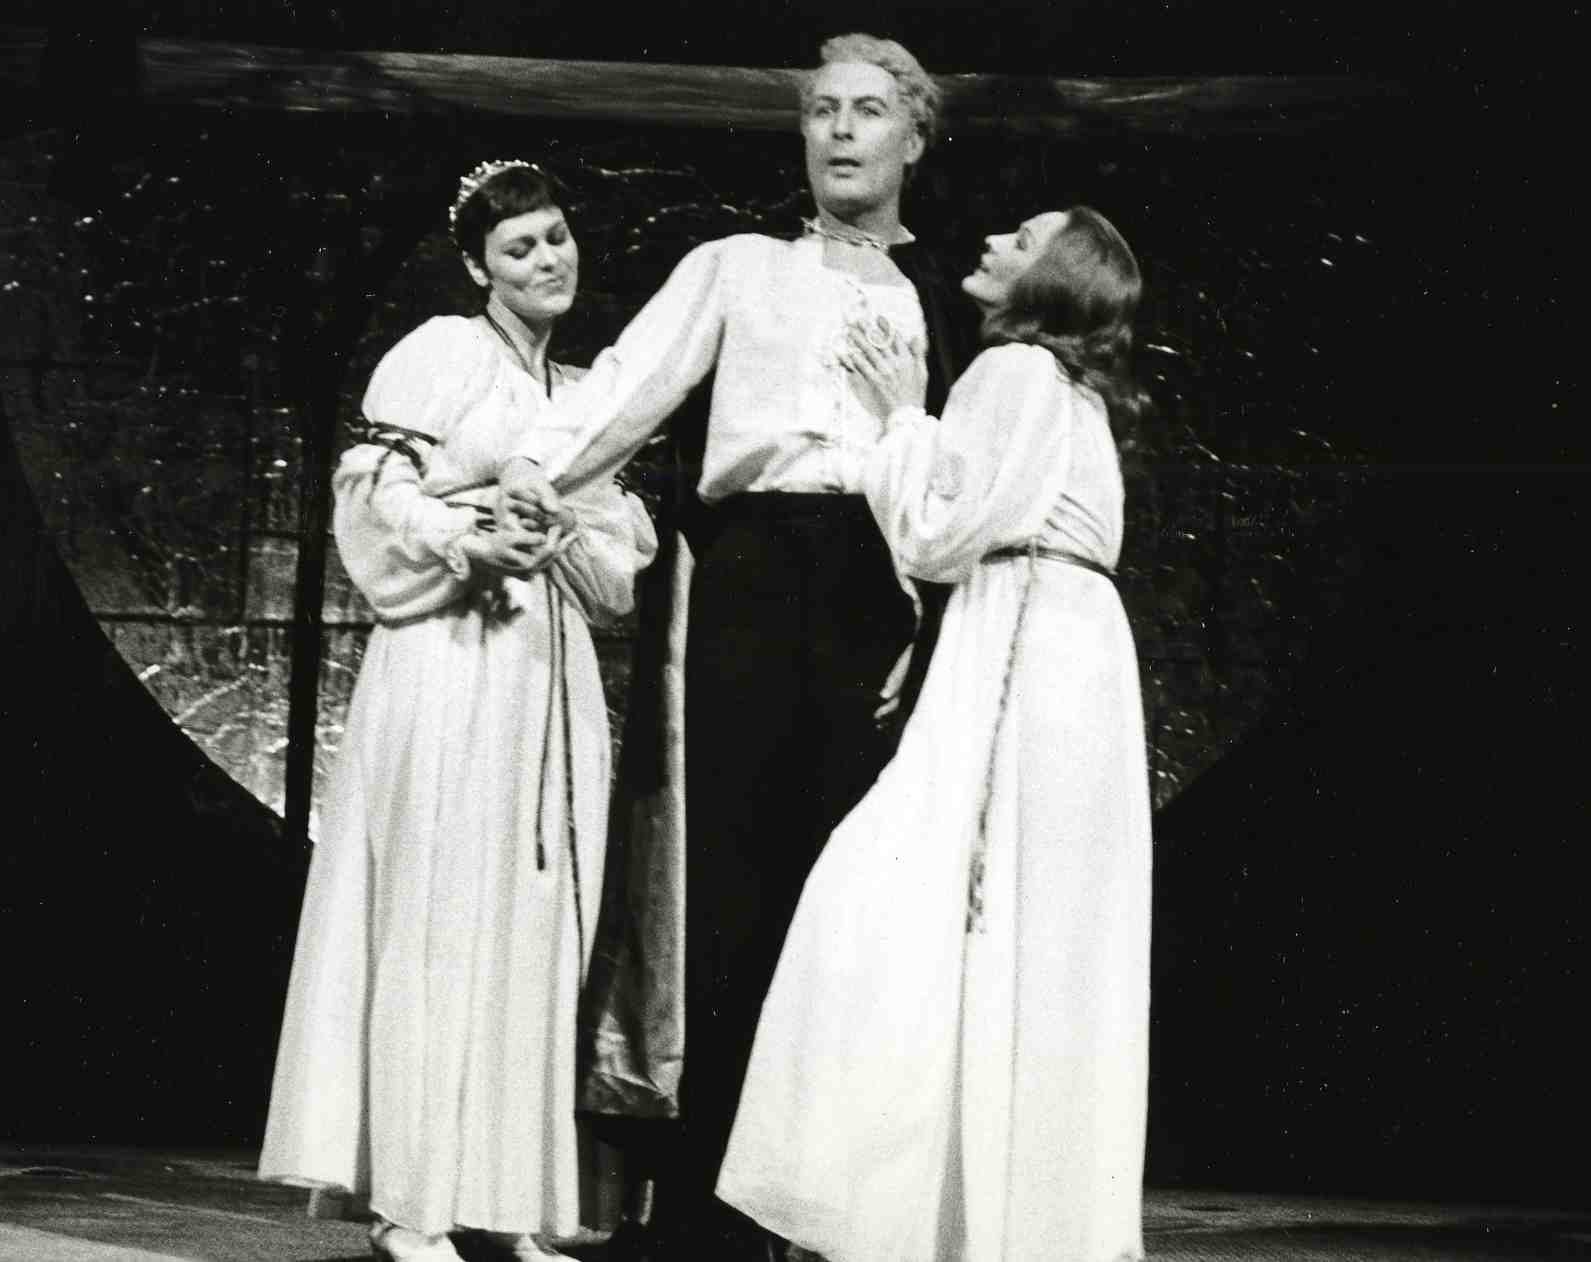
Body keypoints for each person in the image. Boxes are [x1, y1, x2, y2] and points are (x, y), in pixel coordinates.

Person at [499, 34, 971, 1259]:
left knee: (853, 898)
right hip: (757, 570)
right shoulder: (736, 265)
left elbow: (959, 481)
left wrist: (933, 625)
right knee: (733, 884)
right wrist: (530, 479)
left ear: (915, 137)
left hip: (880, 584)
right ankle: (707, 1214)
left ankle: (837, 1210)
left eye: (868, 111)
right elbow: (627, 386)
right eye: (822, 111)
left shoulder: (949, 302)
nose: (841, 131)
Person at [714, 206, 1155, 1262]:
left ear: (1052, 277)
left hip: (1024, 649)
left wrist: (901, 416)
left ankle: (893, 1208)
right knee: (1014, 931)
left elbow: (939, 533)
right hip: (1060, 648)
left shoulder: (1013, 372)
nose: (996, 241)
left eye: (1023, 239)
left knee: (901, 897)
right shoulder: (1066, 390)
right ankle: (977, 1216)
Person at [257, 160, 657, 1262]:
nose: (547, 260)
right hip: (450, 654)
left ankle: (508, 1201)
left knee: (535, 923)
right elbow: (372, 496)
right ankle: (415, 1203)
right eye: (520, 247)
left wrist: (561, 530)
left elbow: (619, 572)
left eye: (556, 236)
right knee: (440, 911)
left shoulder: (583, 393)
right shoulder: (441, 352)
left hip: (545, 673)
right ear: (480, 268)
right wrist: (474, 533)